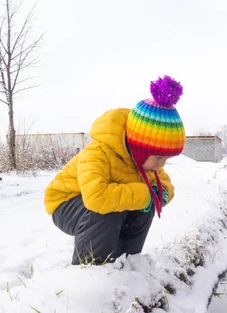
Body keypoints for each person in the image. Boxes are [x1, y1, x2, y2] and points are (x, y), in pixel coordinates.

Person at [44, 76, 185, 265]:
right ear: (139, 148)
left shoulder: (146, 163)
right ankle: (91, 268)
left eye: (166, 158)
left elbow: (164, 183)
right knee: (109, 209)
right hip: (66, 203)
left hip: (95, 203)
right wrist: (147, 194)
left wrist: (161, 194)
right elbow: (96, 197)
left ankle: (125, 262)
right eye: (159, 157)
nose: (162, 165)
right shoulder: (99, 152)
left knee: (145, 205)